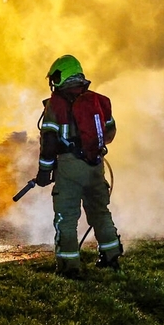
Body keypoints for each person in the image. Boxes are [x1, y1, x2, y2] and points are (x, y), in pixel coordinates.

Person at [35, 54, 123, 277]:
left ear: (61, 76)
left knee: (66, 218)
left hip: (69, 168)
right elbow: (110, 133)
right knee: (100, 212)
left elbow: (49, 141)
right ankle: (111, 256)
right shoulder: (99, 101)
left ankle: (69, 267)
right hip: (95, 165)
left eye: (54, 78)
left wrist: (44, 171)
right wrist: (89, 145)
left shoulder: (56, 104)